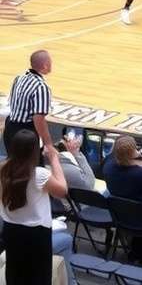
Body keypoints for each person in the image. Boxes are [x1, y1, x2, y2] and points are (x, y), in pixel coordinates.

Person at [0, 130, 68, 285]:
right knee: (39, 277)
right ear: (34, 152)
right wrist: (54, 160)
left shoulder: (3, 170)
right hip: (36, 234)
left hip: (11, 230)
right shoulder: (40, 174)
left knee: (15, 274)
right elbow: (62, 191)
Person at [4, 50, 55, 153]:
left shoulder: (19, 78)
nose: (51, 64)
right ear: (45, 66)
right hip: (25, 134)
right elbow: (38, 119)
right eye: (50, 62)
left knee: (13, 164)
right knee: (29, 166)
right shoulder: (41, 87)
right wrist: (48, 144)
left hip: (10, 128)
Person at [103, 135, 142, 205]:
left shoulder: (108, 166)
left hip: (119, 208)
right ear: (130, 154)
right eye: (135, 148)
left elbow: (113, 155)